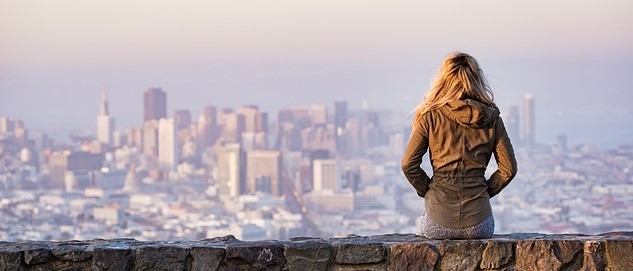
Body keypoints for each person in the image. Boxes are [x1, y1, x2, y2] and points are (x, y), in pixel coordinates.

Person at [401, 52, 517, 239]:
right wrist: (484, 191)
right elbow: (509, 170)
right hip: (480, 224)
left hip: (438, 220)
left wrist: (429, 191)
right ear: (477, 80)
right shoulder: (492, 118)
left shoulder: (430, 116)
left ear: (443, 80)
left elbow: (408, 165)